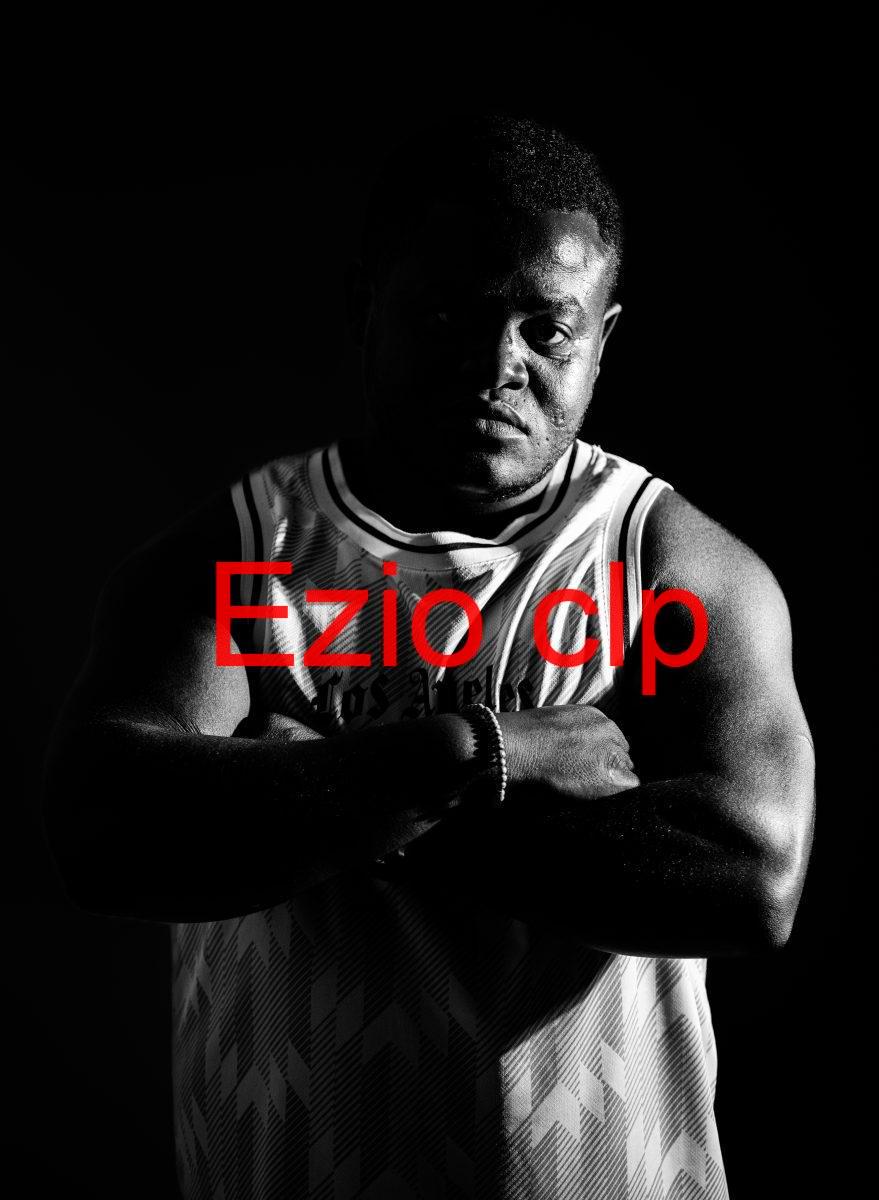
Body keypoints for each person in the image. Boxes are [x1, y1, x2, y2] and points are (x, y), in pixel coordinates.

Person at [43, 115, 815, 1200]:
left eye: (547, 329)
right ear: (367, 306)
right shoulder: (246, 556)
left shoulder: (667, 567)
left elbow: (748, 880)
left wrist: (330, 793)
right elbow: (103, 830)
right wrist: (477, 754)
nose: (497, 366)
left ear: (602, 338)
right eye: (451, 313)